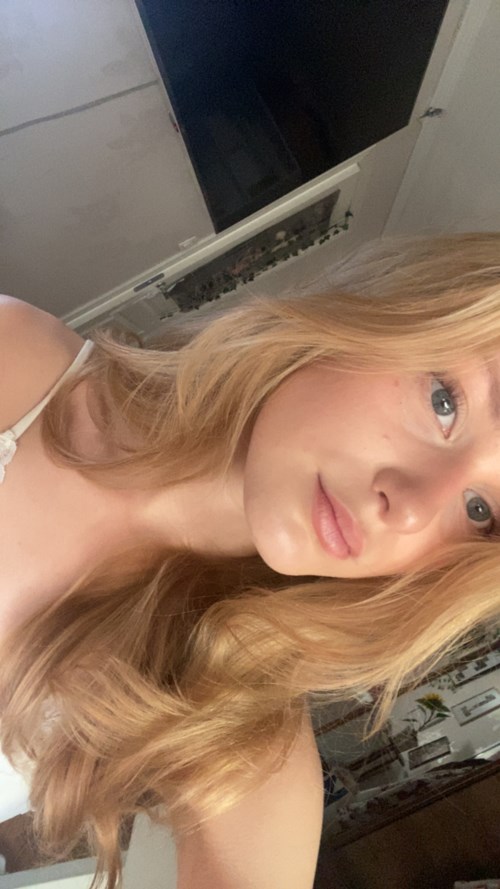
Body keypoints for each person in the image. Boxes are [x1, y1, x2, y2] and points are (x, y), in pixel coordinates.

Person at [1, 232, 500, 889]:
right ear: (385, 311)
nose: (409, 510)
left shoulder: (244, 734)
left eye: (480, 511)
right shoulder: (19, 362)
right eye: (445, 403)